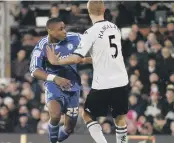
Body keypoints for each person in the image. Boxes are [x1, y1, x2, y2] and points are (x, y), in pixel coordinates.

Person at [46, 1, 129, 143]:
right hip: (121, 80)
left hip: (103, 83)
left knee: (87, 115)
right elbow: (105, 54)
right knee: (120, 117)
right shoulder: (114, 28)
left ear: (88, 11)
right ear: (104, 9)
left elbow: (77, 58)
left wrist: (57, 61)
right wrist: (89, 59)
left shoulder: (90, 33)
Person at [29, 18, 90, 143]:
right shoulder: (42, 46)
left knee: (69, 128)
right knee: (55, 115)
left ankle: (58, 139)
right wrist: (54, 78)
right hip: (53, 83)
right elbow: (34, 70)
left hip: (72, 85)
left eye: (64, 27)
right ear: (50, 31)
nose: (65, 31)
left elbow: (93, 43)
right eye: (60, 29)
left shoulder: (75, 38)